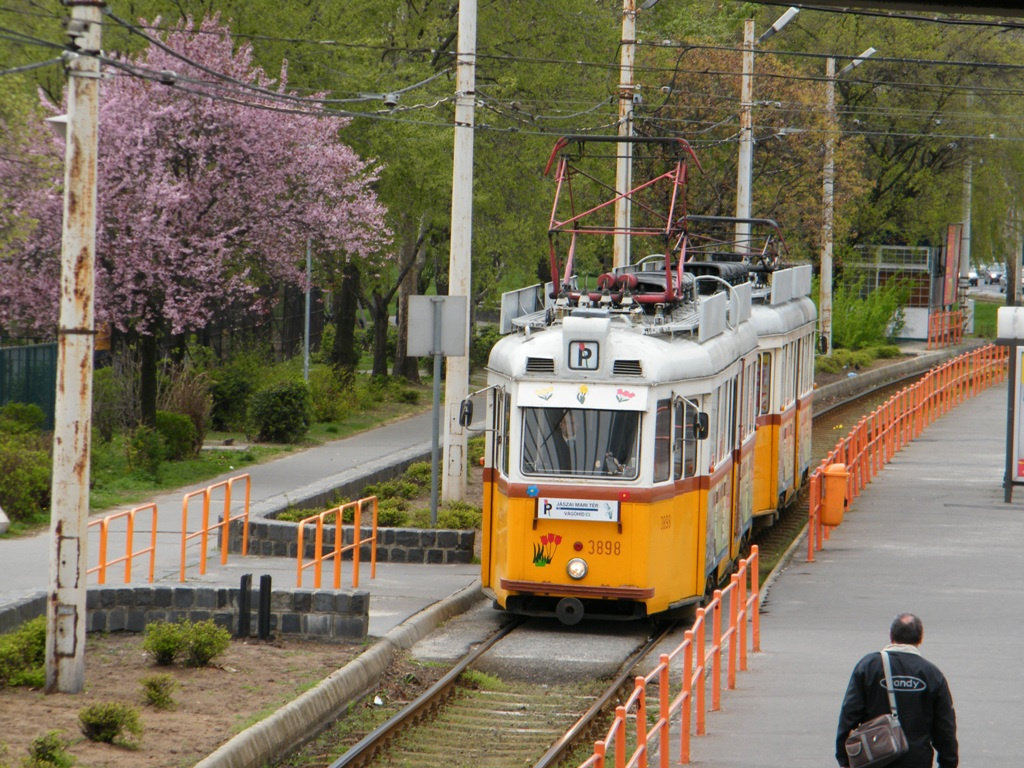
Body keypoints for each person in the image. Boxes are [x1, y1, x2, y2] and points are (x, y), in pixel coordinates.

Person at [836, 613, 958, 768]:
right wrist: (948, 763)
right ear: (920, 639)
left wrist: (845, 760)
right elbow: (945, 727)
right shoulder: (932, 674)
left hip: (874, 758)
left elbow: (849, 715)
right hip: (916, 759)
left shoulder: (869, 666)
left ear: (891, 635)